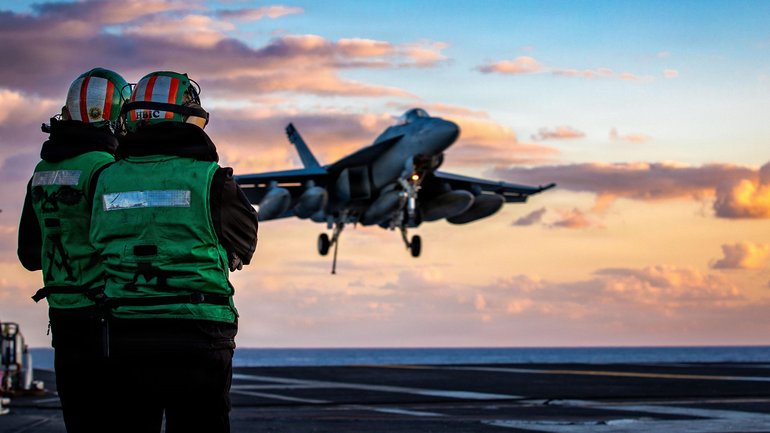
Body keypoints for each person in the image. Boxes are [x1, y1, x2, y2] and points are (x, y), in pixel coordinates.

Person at [89, 71, 258, 433]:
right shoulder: (211, 178)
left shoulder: (104, 178)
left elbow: (95, 241)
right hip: (199, 330)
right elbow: (245, 243)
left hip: (128, 330)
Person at [17, 67, 131, 432]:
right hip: (106, 318)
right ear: (114, 118)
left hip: (63, 315)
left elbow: (29, 256)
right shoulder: (108, 170)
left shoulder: (40, 173)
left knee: (79, 420)